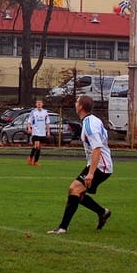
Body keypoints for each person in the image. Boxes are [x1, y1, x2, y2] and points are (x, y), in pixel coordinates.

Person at [47, 95, 112, 235]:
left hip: (101, 166)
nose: (75, 103)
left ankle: (63, 228)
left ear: (81, 106)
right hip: (98, 164)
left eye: (77, 101)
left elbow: (97, 148)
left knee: (74, 190)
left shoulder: (90, 124)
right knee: (77, 193)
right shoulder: (91, 120)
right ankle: (102, 212)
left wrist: (91, 173)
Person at [27, 99, 50, 166]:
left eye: (40, 103)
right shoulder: (33, 112)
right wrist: (29, 128)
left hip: (42, 132)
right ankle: (31, 158)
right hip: (35, 132)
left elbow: (47, 123)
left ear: (42, 104)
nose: (39, 104)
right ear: (36, 104)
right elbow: (29, 121)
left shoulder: (45, 112)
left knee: (39, 147)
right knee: (36, 145)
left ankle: (35, 161)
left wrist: (48, 131)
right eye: (38, 103)